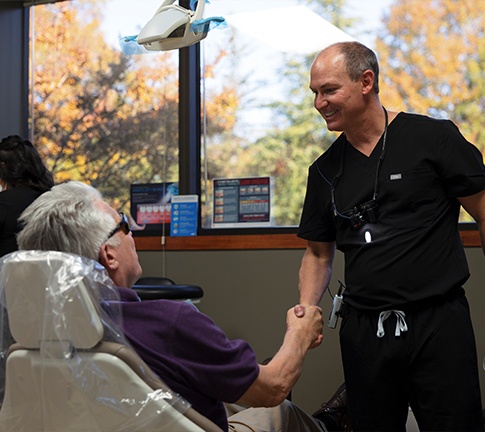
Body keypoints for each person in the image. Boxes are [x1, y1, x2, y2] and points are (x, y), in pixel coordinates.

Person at [17, 180, 349, 432]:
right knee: (280, 410)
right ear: (109, 254)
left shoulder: (33, 335)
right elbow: (273, 388)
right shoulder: (170, 322)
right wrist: (299, 335)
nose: (133, 236)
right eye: (125, 227)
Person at [296, 40, 485, 431]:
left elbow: (482, 206)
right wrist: (307, 308)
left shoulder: (432, 139)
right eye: (315, 92)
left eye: (329, 89)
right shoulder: (325, 171)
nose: (319, 103)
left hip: (438, 322)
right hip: (366, 330)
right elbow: (318, 254)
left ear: (366, 81)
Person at [0, 135, 54, 257]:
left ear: (2, 167)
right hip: (48, 274)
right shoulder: (53, 200)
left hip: (8, 274)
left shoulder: (4, 202)